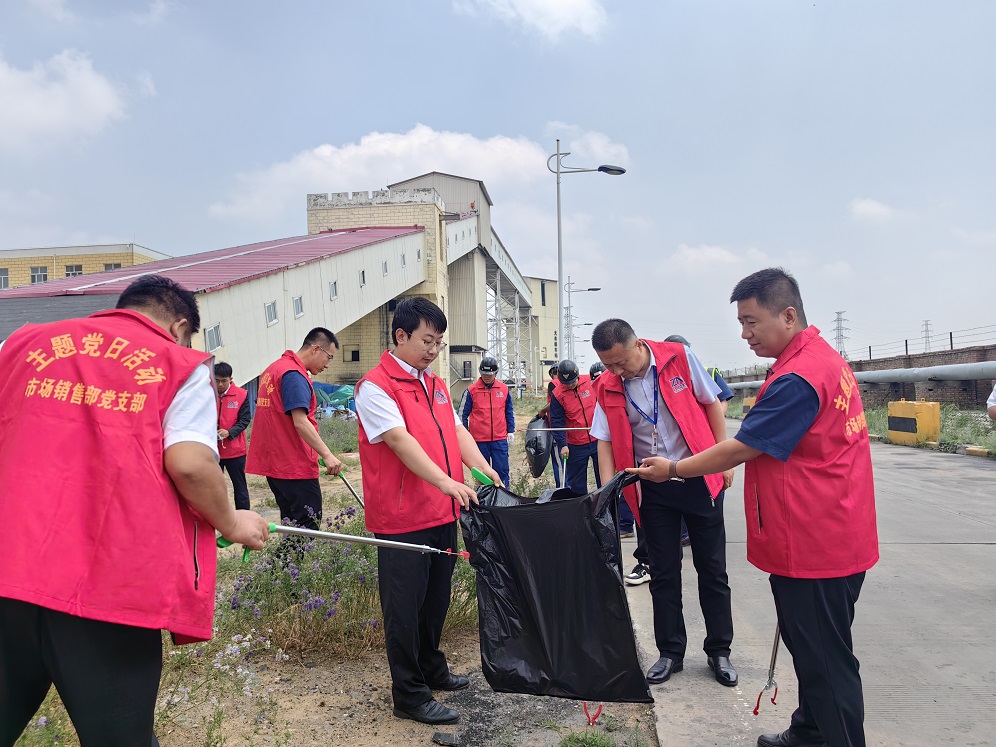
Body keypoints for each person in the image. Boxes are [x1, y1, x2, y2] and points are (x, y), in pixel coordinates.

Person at [0, 275, 270, 745]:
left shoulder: (20, 344)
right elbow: (190, 464)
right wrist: (232, 521)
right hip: (105, 586)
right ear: (180, 326)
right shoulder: (179, 363)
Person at [626, 268, 879, 747]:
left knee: (827, 662)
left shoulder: (799, 377)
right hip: (833, 529)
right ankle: (810, 732)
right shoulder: (818, 359)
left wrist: (675, 470)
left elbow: (742, 446)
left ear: (787, 315)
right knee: (814, 653)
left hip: (815, 543)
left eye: (750, 322)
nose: (744, 334)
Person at [354, 297, 501, 727]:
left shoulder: (434, 384)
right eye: (426, 340)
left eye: (439, 342)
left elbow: (456, 430)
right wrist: (445, 481)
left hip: (442, 513)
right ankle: (409, 693)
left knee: (435, 600)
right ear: (400, 336)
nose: (434, 349)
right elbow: (400, 441)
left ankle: (432, 668)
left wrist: (480, 466)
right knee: (404, 607)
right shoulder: (375, 386)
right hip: (402, 518)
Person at [590, 318, 738, 689]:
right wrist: (610, 490)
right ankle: (670, 652)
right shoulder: (607, 385)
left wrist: (723, 460)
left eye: (621, 362)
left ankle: (719, 650)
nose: (616, 371)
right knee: (663, 573)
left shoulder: (680, 359)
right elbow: (604, 440)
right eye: (608, 365)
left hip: (699, 477)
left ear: (639, 345)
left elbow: (713, 404)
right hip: (652, 486)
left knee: (712, 569)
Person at [245, 328, 344, 531]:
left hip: (276, 463)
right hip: (293, 463)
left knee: (291, 524)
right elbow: (300, 421)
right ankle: (287, 564)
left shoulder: (274, 369)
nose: (328, 365)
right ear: (316, 349)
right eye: (329, 357)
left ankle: (286, 564)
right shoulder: (294, 375)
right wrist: (327, 455)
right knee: (308, 522)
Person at [461, 355, 515, 487]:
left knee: (502, 471)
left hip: (499, 440)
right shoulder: (471, 391)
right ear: (480, 372)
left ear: (496, 373)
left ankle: (503, 498)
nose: (487, 376)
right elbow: (462, 415)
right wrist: (465, 435)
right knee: (482, 474)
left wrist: (511, 430)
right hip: (479, 441)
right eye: (484, 373)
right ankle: (484, 500)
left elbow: (509, 411)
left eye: (490, 374)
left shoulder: (504, 389)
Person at [550, 359, 601, 496]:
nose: (571, 385)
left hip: (597, 439)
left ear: (577, 375)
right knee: (577, 485)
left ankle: (605, 509)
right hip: (576, 445)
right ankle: (581, 512)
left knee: (604, 478)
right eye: (566, 383)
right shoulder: (558, 394)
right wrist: (563, 444)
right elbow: (557, 422)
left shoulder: (590, 382)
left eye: (573, 382)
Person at [215, 361, 252, 510]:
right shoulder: (206, 394)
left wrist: (229, 432)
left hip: (235, 452)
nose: (220, 384)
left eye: (224, 381)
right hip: (213, 451)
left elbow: (245, 420)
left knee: (240, 487)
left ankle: (244, 517)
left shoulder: (242, 395)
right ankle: (216, 517)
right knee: (213, 487)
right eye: (216, 380)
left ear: (231, 379)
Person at [536, 364, 563, 487]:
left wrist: (542, 411)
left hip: (556, 428)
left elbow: (553, 403)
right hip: (568, 428)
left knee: (558, 461)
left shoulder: (554, 384)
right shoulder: (567, 383)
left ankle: (562, 489)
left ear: (552, 374)